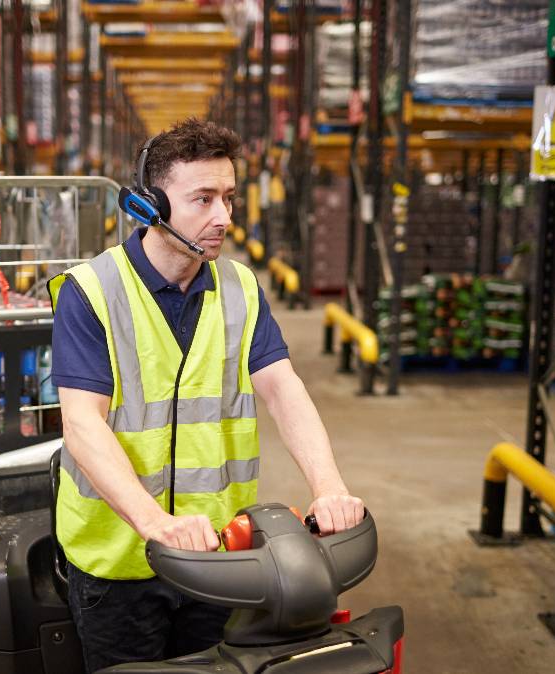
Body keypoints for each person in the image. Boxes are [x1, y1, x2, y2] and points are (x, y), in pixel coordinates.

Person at [48, 118, 364, 673]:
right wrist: (154, 524)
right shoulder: (91, 292)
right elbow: (82, 423)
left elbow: (284, 389)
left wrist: (329, 486)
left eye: (229, 197)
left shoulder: (240, 288)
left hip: (218, 557)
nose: (224, 217)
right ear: (149, 206)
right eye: (203, 199)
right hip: (117, 563)